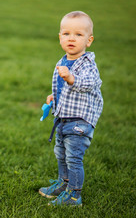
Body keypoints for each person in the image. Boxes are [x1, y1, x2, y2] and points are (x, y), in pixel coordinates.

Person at [38, 11, 103, 206]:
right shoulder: (62, 61)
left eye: (78, 34)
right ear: (60, 38)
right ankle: (64, 184)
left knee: (73, 158)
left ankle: (74, 195)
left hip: (79, 122)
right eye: (66, 34)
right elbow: (63, 88)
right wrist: (54, 97)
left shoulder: (87, 64)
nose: (71, 38)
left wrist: (70, 78)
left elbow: (89, 83)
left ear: (89, 40)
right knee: (61, 154)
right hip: (63, 118)